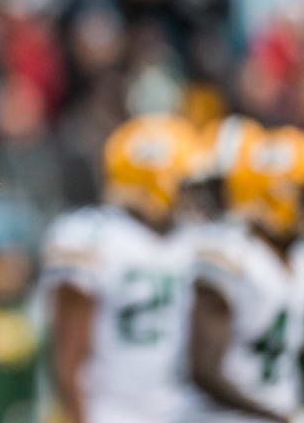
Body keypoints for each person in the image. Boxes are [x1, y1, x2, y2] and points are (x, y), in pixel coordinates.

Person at [40, 114, 202, 423]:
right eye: (183, 181)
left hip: (177, 410)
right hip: (110, 412)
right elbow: (67, 360)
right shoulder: (93, 237)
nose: (191, 192)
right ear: (155, 180)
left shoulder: (189, 241)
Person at [187, 126, 304, 423]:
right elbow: (203, 370)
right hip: (220, 416)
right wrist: (280, 416)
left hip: (279, 409)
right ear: (279, 194)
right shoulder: (230, 256)